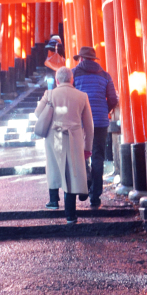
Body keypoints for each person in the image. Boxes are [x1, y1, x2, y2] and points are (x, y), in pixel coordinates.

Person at [36, 66, 94, 223]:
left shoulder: (50, 94)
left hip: (53, 137)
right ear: (72, 79)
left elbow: (37, 113)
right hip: (74, 138)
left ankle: (53, 200)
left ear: (57, 80)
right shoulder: (82, 96)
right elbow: (89, 125)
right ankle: (70, 215)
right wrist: (88, 147)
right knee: (72, 173)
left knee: (55, 167)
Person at [72, 46, 119, 208]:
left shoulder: (74, 73)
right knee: (98, 156)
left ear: (82, 59)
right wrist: (105, 109)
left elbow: (70, 95)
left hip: (80, 122)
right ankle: (95, 196)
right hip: (100, 122)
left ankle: (85, 182)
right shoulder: (105, 75)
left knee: (80, 153)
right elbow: (113, 98)